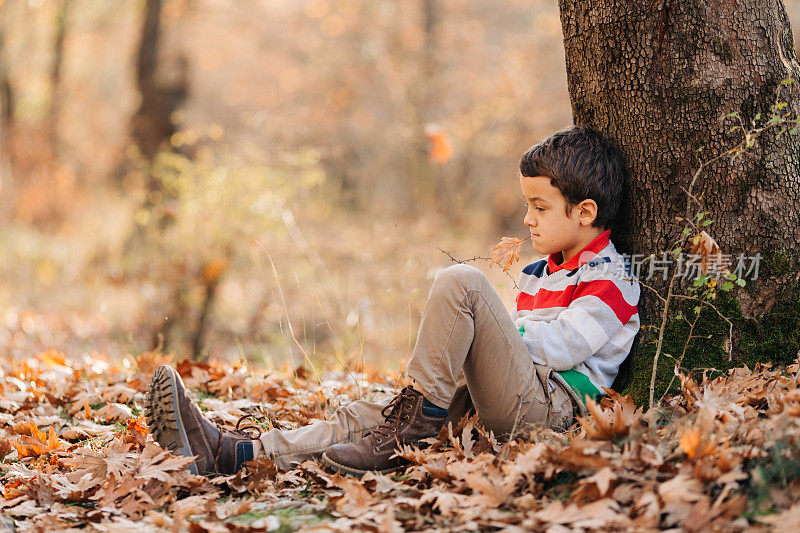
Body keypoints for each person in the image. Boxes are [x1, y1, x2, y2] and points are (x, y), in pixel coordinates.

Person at [145, 125, 640, 477]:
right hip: (508, 397)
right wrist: (476, 351)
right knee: (368, 416)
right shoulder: (540, 273)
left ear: (585, 212)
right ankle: (234, 453)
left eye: (540, 208)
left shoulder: (612, 279)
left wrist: (488, 339)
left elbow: (560, 349)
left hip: (551, 412)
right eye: (527, 206)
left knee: (463, 281)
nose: (528, 219)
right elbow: (513, 349)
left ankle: (416, 419)